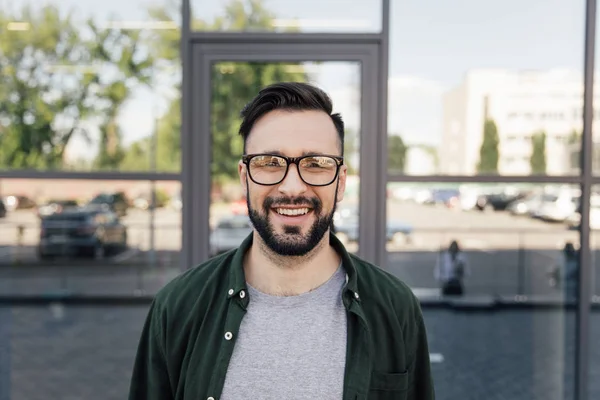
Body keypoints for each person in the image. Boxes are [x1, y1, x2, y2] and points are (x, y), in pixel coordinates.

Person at [128, 82, 435, 400]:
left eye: (316, 164)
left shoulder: (395, 307)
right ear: (244, 178)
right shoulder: (178, 306)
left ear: (340, 183)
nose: (291, 187)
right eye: (269, 163)